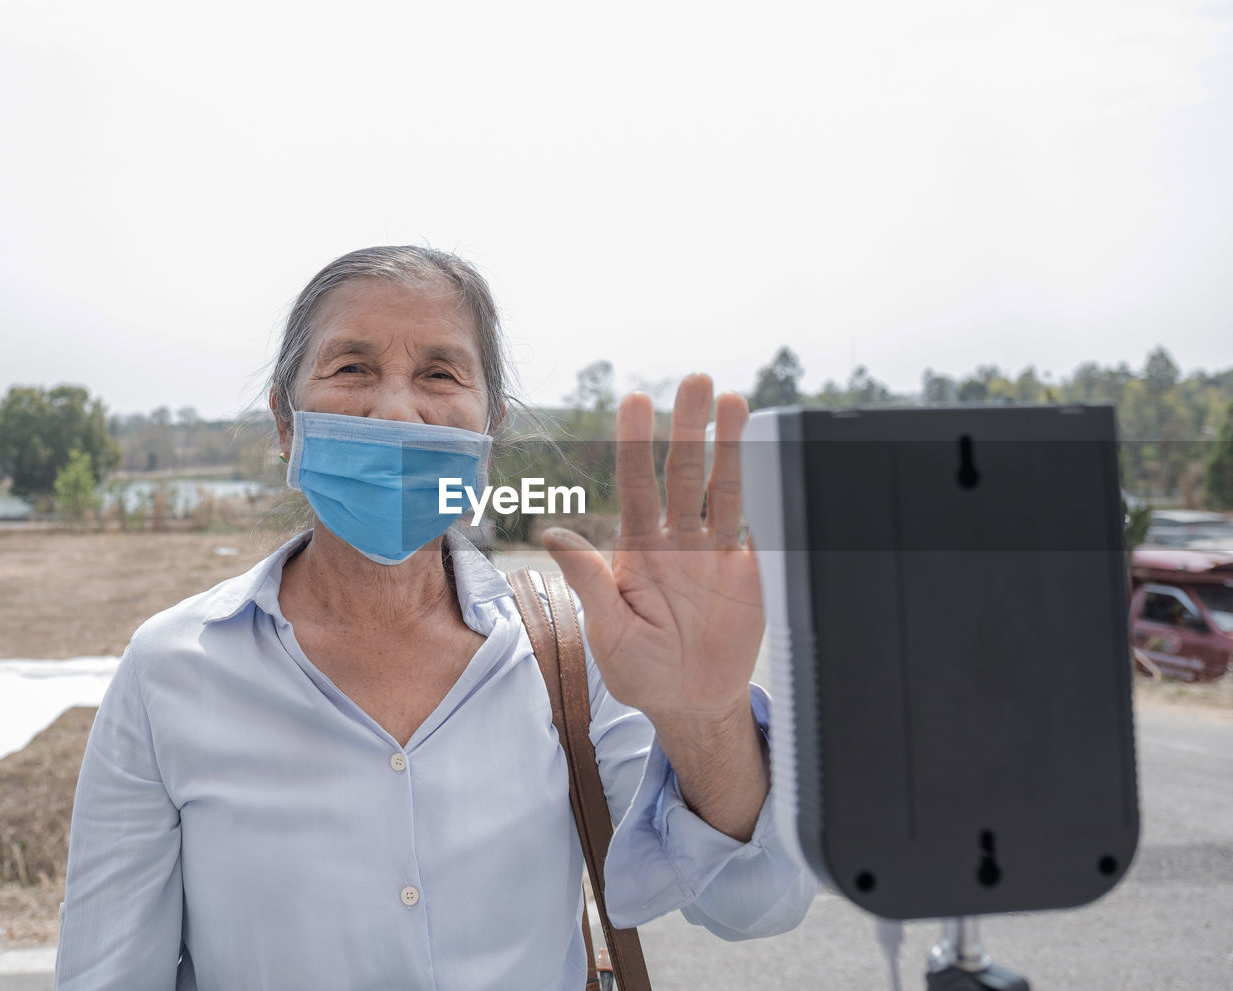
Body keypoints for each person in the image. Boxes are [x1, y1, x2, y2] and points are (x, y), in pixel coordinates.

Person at [55, 246, 815, 990]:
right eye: (351, 367)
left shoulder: (576, 653)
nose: (394, 409)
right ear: (286, 423)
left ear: (490, 431)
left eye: (440, 374)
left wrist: (707, 719)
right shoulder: (170, 670)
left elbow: (754, 906)